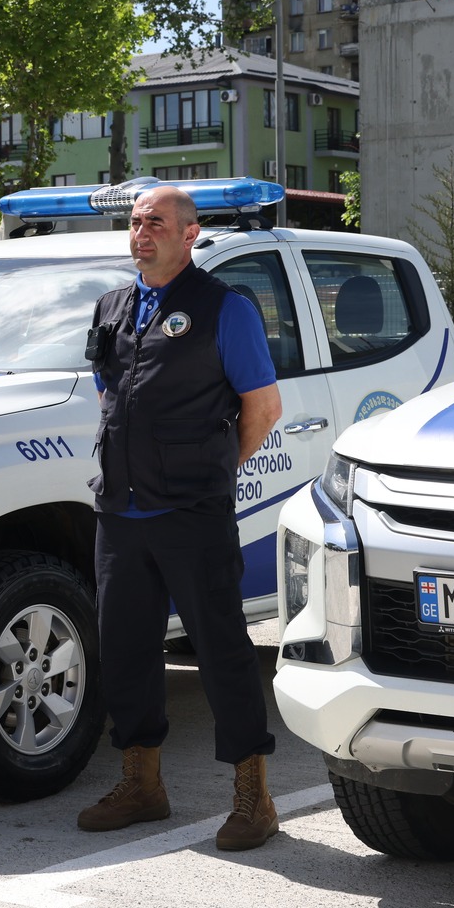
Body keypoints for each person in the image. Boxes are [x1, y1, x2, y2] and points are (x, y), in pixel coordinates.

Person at [77, 185, 286, 851]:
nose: (141, 233)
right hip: (120, 509)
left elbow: (263, 407)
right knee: (125, 649)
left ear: (191, 234)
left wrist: (211, 467)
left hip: (192, 510)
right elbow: (111, 395)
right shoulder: (112, 307)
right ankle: (142, 784)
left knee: (221, 651)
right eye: (136, 222)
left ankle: (253, 797)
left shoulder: (225, 308)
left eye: (157, 223)